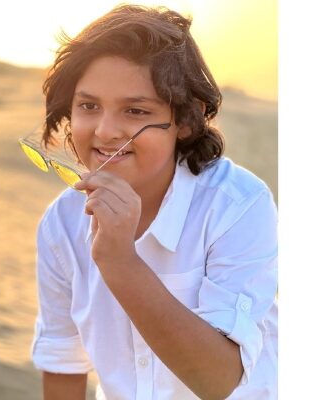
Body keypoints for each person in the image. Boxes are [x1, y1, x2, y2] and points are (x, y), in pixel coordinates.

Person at [29, 4, 277, 399]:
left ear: (187, 121)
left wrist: (119, 261)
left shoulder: (237, 205)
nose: (105, 131)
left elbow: (221, 381)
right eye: (89, 106)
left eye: (135, 110)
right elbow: (63, 359)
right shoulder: (61, 222)